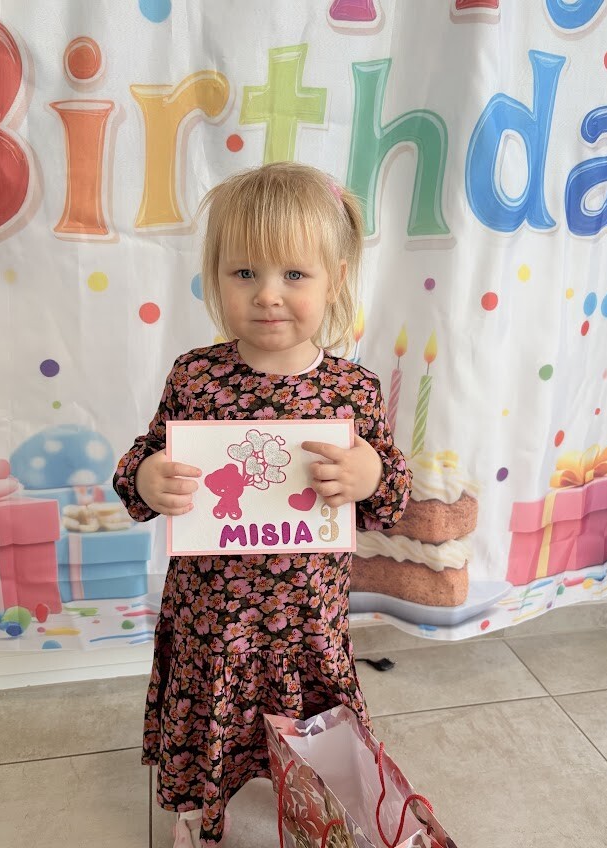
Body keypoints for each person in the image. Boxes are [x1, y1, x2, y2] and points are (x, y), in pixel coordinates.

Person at [113, 162, 411, 847]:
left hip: (307, 621)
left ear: (335, 278)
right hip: (212, 620)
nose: (268, 295)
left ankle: (321, 813)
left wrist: (369, 473)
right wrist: (149, 477)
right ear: (215, 277)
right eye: (244, 273)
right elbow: (142, 460)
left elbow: (392, 497)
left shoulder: (353, 391)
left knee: (319, 734)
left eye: (294, 274)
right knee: (209, 727)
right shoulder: (197, 377)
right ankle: (199, 809)